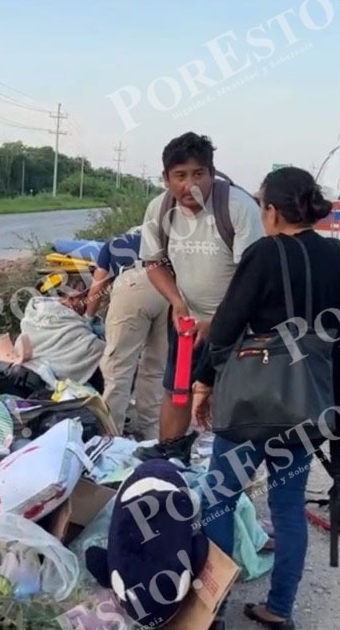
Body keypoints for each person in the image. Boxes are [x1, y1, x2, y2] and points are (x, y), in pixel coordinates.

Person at [191, 168, 340, 630]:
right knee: (288, 505)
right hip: (304, 402)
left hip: (251, 400)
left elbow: (225, 326)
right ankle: (280, 608)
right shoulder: (337, 254)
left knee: (219, 499)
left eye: (262, 206)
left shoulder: (264, 253)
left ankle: (211, 611)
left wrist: (204, 383)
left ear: (272, 211)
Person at [136, 132, 264, 460]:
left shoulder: (237, 207)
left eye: (198, 174)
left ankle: (227, 479)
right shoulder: (159, 209)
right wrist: (177, 302)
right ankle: (169, 461)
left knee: (232, 399)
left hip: (237, 325)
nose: (190, 185)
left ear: (212, 172)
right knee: (177, 392)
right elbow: (153, 263)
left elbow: (253, 279)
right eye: (180, 176)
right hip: (186, 322)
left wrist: (218, 323)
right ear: (166, 179)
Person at [85, 229, 168, 440]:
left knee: (118, 367)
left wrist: (88, 318)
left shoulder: (113, 243)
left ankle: (112, 437)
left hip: (134, 283)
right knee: (156, 368)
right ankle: (152, 434)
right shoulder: (165, 238)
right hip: (170, 288)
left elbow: (98, 285)